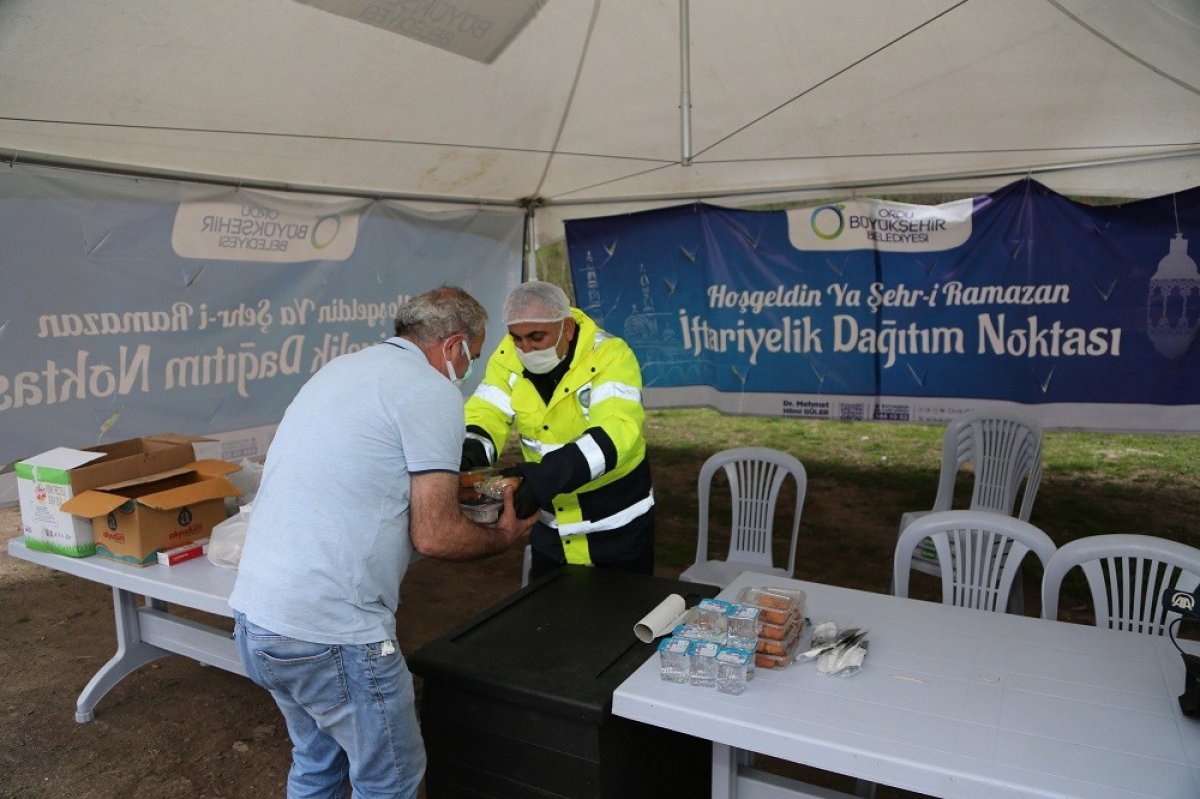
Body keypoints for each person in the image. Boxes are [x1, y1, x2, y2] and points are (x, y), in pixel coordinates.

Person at [229, 286, 535, 799]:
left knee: (317, 762)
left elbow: (366, 485)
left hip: (259, 618)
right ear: (453, 345)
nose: (469, 370)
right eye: (473, 357)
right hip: (333, 634)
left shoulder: (341, 370)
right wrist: (503, 535)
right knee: (390, 782)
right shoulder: (432, 390)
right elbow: (434, 534)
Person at [461, 280, 655, 581]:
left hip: (618, 530)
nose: (525, 348)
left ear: (567, 328)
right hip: (553, 530)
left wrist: (540, 480)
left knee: (620, 622)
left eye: (536, 337)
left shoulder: (611, 356)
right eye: (517, 338)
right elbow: (487, 412)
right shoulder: (506, 358)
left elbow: (617, 433)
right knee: (550, 620)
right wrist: (469, 452)